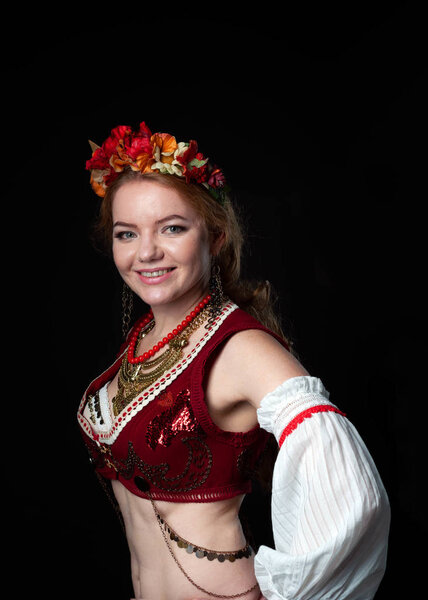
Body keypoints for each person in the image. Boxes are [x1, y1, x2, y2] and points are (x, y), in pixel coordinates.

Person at [77, 121, 390, 600]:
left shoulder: (240, 347)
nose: (147, 253)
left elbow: (352, 495)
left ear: (216, 236)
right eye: (127, 234)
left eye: (173, 228)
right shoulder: (145, 334)